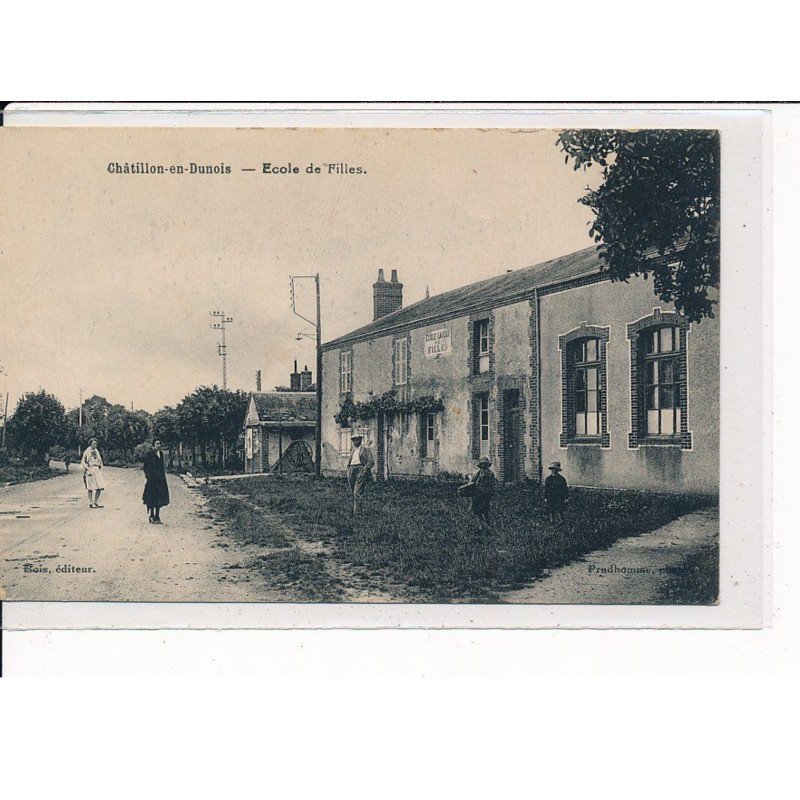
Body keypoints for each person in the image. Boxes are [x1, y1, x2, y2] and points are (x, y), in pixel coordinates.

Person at [460, 457, 496, 528]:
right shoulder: (477, 473)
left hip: (485, 494)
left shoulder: (490, 474)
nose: (483, 466)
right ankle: (481, 524)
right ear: (481, 465)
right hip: (477, 495)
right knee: (477, 511)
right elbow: (472, 482)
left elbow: (492, 484)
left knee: (485, 511)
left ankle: (488, 524)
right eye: (482, 464)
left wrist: (490, 492)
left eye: (485, 464)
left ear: (487, 465)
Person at [142, 439, 170, 524]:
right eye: (157, 444)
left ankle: (157, 516)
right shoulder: (149, 454)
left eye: (160, 444)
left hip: (160, 479)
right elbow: (146, 467)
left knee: (160, 497)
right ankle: (151, 516)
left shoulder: (161, 454)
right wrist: (149, 476)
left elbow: (161, 467)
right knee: (152, 497)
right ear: (153, 445)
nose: (159, 445)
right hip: (152, 480)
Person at [347, 433, 374, 516]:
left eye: (357, 440)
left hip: (360, 469)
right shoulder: (353, 450)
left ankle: (358, 514)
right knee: (353, 492)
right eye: (354, 440)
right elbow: (350, 462)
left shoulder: (365, 449)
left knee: (357, 492)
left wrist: (364, 469)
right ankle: (355, 510)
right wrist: (348, 470)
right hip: (352, 470)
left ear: (360, 440)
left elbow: (371, 461)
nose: (355, 442)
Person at [81, 438, 105, 508]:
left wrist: (101, 469)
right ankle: (91, 502)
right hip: (90, 470)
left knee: (99, 487)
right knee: (90, 487)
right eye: (93, 444)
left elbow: (100, 461)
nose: (95, 445)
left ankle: (96, 502)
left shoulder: (97, 451)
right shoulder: (87, 451)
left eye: (96, 444)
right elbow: (83, 461)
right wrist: (87, 468)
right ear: (90, 444)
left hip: (97, 470)